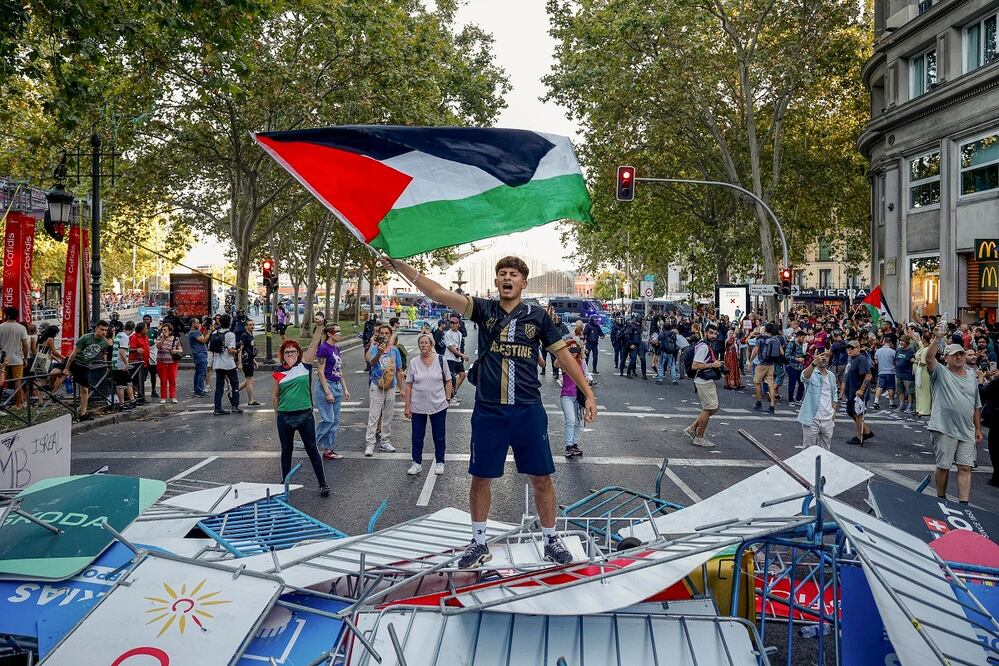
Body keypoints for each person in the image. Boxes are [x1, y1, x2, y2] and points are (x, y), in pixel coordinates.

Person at [386, 254, 596, 569]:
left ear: (523, 282)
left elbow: (564, 357)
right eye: (502, 273)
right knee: (481, 477)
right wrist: (404, 269)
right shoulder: (483, 309)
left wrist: (587, 392)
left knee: (542, 477)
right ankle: (479, 542)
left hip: (527, 410)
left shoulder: (538, 317)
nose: (507, 278)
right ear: (496, 281)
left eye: (514, 274)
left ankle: (551, 540)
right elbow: (440, 293)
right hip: (489, 411)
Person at [926, 330, 983, 504]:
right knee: (944, 466)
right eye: (955, 354)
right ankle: (941, 499)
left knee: (966, 467)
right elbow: (929, 359)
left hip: (967, 429)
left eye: (961, 354)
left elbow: (976, 404)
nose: (959, 357)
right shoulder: (940, 372)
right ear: (946, 358)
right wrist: (937, 338)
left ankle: (964, 505)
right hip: (944, 427)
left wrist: (978, 429)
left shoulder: (971, 376)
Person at [272, 332, 330, 497]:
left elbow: (313, 345)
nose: (290, 354)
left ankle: (323, 484)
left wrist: (319, 327)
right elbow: (275, 395)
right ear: (282, 355)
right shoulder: (278, 372)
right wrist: (278, 414)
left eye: (293, 351)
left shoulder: (304, 365)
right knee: (286, 451)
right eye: (287, 352)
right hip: (284, 417)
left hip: (305, 415)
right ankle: (285, 484)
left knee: (312, 449)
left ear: (298, 353)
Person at [404, 332, 453, 475]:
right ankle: (416, 462)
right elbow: (408, 385)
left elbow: (448, 380)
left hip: (438, 404)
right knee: (417, 435)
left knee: (439, 435)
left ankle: (440, 462)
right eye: (421, 343)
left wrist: (447, 399)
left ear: (432, 345)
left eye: (426, 343)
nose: (423, 345)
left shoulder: (440, 360)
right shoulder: (414, 362)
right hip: (418, 405)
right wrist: (407, 406)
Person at [364, 323, 405, 456]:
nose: (385, 336)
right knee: (374, 415)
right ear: (379, 335)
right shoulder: (375, 349)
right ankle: (370, 444)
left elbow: (399, 370)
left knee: (388, 415)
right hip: (377, 384)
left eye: (387, 333)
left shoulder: (395, 350)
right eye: (382, 334)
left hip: (391, 386)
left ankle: (385, 440)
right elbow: (372, 363)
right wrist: (379, 352)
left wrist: (402, 388)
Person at [61, 320, 111, 421]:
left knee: (85, 389)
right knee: (61, 376)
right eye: (102, 329)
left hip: (85, 365)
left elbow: (104, 354)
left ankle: (83, 413)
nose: (104, 332)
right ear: (96, 328)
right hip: (75, 362)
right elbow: (74, 353)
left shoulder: (104, 342)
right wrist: (67, 368)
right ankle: (52, 396)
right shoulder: (86, 338)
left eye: (106, 330)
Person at [316, 322, 351, 460]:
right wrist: (327, 392)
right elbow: (320, 371)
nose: (340, 334)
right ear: (330, 333)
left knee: (335, 420)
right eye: (337, 331)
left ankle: (328, 449)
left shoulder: (336, 349)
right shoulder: (323, 348)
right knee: (328, 419)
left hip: (336, 385)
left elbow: (339, 371)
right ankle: (312, 443)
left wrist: (345, 388)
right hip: (326, 386)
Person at [683, 324, 722, 447]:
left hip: (706, 380)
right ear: (705, 333)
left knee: (713, 407)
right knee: (709, 408)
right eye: (711, 333)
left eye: (715, 333)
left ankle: (692, 428)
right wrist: (712, 365)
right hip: (703, 380)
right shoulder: (703, 347)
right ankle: (699, 437)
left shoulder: (705, 345)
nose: (713, 335)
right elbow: (695, 365)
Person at [797, 349, 838, 450]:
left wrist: (834, 411)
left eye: (826, 356)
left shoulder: (831, 376)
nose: (824, 358)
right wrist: (813, 364)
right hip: (812, 418)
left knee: (825, 451)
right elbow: (804, 378)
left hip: (828, 419)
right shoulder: (810, 372)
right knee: (808, 451)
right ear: (815, 357)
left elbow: (834, 394)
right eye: (821, 355)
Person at [556, 340, 590, 457]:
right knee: (570, 420)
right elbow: (556, 364)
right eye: (571, 349)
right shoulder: (565, 363)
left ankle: (574, 444)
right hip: (566, 395)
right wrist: (564, 352)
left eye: (576, 349)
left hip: (578, 395)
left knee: (577, 422)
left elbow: (587, 375)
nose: (574, 351)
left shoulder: (581, 363)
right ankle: (568, 446)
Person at [210, 314, 242, 415]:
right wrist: (237, 350)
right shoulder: (230, 334)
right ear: (229, 322)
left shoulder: (215, 332)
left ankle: (217, 407)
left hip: (218, 363)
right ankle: (235, 406)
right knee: (234, 384)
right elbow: (230, 350)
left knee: (219, 386)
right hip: (228, 363)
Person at [844, 340, 874, 446]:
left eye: (852, 348)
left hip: (858, 393)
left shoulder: (861, 359)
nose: (849, 350)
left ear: (858, 348)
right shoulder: (851, 359)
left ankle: (859, 436)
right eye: (848, 348)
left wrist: (861, 389)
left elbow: (868, 375)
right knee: (851, 412)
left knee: (858, 414)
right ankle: (867, 432)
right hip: (851, 391)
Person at [0, 308, 29, 408]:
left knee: (1, 382)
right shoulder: (21, 328)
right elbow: (25, 345)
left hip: (3, 360)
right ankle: (18, 404)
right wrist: (25, 358)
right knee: (18, 382)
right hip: (17, 359)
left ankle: (1, 405)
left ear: (7, 316)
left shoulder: (1, 327)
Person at [753, 324, 780, 414]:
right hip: (771, 364)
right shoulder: (775, 339)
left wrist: (750, 360)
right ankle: (772, 406)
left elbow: (756, 350)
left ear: (765, 330)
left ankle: (758, 402)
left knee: (757, 382)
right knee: (770, 385)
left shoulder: (760, 339)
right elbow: (781, 352)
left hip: (762, 364)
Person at [155, 322, 182, 404]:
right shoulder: (160, 337)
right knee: (163, 380)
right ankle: (163, 397)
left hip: (172, 362)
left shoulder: (175, 339)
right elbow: (158, 346)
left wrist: (175, 350)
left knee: (172, 380)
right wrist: (163, 338)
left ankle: (173, 396)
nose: (163, 331)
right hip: (161, 362)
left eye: (165, 330)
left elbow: (181, 350)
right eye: (162, 330)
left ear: (170, 331)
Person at [443, 316, 469, 403]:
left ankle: (453, 392)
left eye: (454, 323)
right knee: (451, 378)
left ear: (458, 324)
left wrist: (462, 354)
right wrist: (462, 355)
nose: (452, 325)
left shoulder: (459, 334)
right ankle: (449, 395)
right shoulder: (448, 334)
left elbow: (458, 347)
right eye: (451, 323)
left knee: (462, 375)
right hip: (449, 358)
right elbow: (451, 348)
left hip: (457, 358)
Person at [112, 320, 136, 410]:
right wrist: (126, 364)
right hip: (120, 364)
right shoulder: (125, 337)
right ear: (132, 329)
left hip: (115, 363)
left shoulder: (119, 334)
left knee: (127, 383)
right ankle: (123, 404)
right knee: (121, 385)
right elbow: (122, 351)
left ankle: (131, 401)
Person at [238, 319, 261, 406]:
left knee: (250, 380)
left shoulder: (251, 335)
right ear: (246, 326)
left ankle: (234, 391)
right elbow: (240, 349)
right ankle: (251, 400)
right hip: (246, 360)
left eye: (253, 324)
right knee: (249, 380)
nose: (252, 326)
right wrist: (240, 362)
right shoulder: (244, 336)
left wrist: (254, 360)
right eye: (250, 325)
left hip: (250, 360)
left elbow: (250, 349)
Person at [872, 338, 897, 410]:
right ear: (890, 343)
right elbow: (895, 362)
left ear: (884, 342)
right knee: (891, 387)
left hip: (881, 371)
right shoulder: (893, 351)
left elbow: (876, 361)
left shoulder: (878, 351)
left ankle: (876, 401)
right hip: (890, 372)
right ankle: (891, 403)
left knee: (880, 386)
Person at [784, 330, 807, 407]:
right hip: (792, 366)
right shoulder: (792, 344)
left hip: (801, 367)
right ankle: (791, 400)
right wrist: (797, 359)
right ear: (798, 337)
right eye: (803, 338)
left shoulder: (802, 344)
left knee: (802, 384)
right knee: (792, 384)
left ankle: (798, 399)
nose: (804, 339)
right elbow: (787, 355)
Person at [894, 336, 916, 415]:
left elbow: (915, 361)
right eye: (900, 341)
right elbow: (895, 360)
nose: (901, 342)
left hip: (908, 375)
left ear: (907, 342)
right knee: (900, 391)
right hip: (899, 374)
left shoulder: (911, 351)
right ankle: (901, 405)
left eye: (903, 341)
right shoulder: (898, 350)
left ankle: (910, 406)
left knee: (910, 392)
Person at [188, 318, 209, 397]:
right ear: (193, 324)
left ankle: (197, 389)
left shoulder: (195, 332)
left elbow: (202, 336)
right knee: (202, 372)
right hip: (199, 354)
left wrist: (204, 330)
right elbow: (204, 340)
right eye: (197, 323)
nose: (199, 324)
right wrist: (209, 333)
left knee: (198, 372)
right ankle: (199, 390)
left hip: (199, 354)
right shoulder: (194, 332)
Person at [131, 322, 150, 403]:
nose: (147, 329)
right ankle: (137, 398)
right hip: (136, 363)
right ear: (141, 329)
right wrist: (136, 350)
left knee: (142, 380)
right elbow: (129, 349)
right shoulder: (134, 337)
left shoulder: (145, 337)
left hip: (145, 362)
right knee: (136, 381)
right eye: (145, 328)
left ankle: (141, 397)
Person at [142, 314, 159, 398]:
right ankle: (141, 392)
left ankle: (153, 390)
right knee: (143, 376)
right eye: (144, 319)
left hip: (152, 355)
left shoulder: (154, 331)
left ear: (151, 321)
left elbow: (157, 342)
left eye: (147, 319)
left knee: (153, 374)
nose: (146, 320)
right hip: (143, 356)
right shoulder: (140, 331)